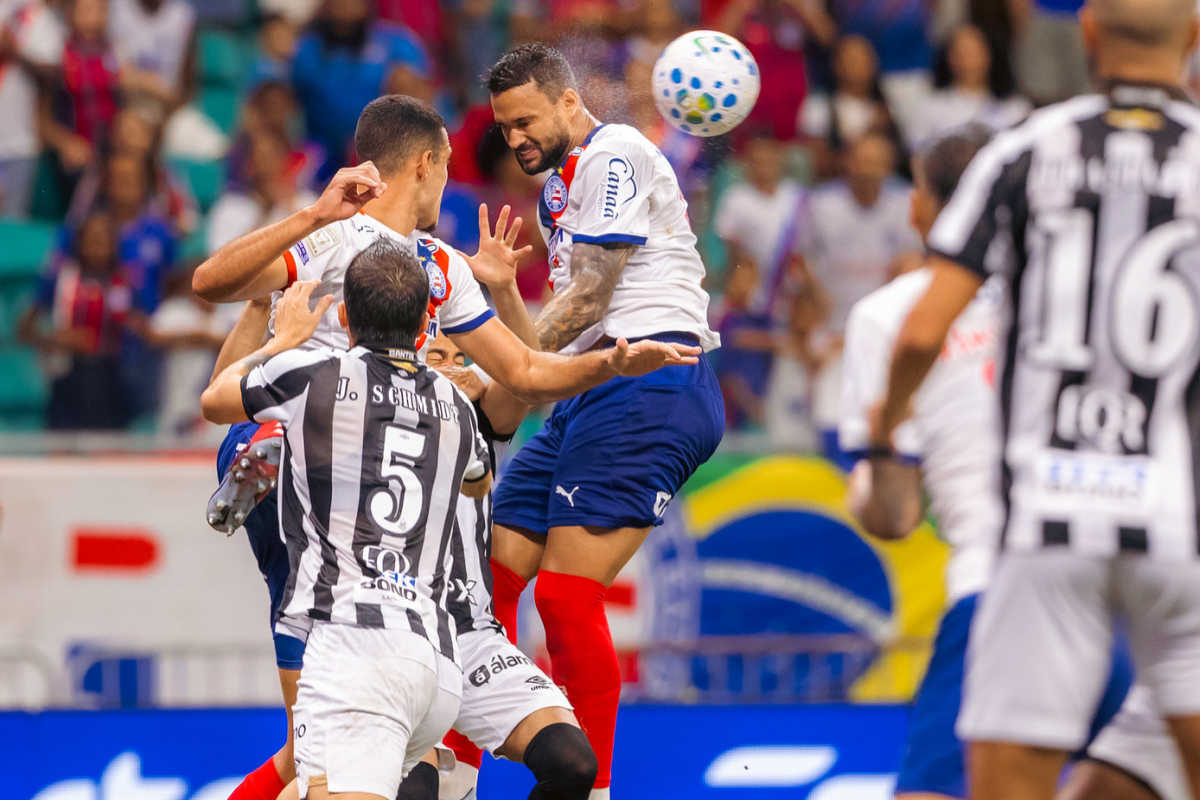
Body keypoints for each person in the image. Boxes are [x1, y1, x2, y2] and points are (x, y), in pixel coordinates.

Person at [192, 93, 698, 800]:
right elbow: (209, 293)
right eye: (450, 165)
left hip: (419, 584)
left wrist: (602, 359)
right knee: (323, 750)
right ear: (426, 163)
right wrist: (307, 227)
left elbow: (520, 373)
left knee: (320, 755)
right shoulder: (338, 238)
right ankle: (273, 447)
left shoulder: (442, 268)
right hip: (325, 503)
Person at [869, 2, 1200, 798]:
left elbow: (921, 332)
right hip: (1179, 526)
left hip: (1047, 522)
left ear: (1087, 35)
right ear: (1193, 40)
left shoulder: (1025, 150)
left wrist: (885, 428)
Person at [485, 43, 726, 797]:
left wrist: (492, 360)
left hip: (654, 377)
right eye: (503, 129)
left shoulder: (612, 151)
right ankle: (450, 764)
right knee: (483, 578)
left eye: (525, 120)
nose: (515, 138)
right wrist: (499, 308)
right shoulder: (560, 189)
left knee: (563, 595)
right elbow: (552, 336)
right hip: (589, 387)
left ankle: (592, 787)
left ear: (565, 101)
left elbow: (591, 299)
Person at [200, 243, 492, 800]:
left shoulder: (313, 374)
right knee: (322, 768)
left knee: (309, 764)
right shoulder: (454, 405)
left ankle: (276, 449)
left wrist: (277, 330)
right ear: (426, 323)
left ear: (343, 317)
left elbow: (215, 399)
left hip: (346, 635)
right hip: (431, 651)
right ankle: (278, 454)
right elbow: (479, 479)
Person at [397, 332, 598, 800]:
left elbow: (524, 368)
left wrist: (504, 288)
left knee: (572, 765)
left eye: (460, 358)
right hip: (397, 634)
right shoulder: (368, 425)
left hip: (472, 636)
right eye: (437, 357)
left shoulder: (478, 423)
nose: (452, 367)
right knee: (417, 793)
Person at [17, 209, 133, 430]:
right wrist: (54, 339)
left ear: (114, 244)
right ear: (79, 242)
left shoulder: (126, 280)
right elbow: (24, 331)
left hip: (110, 379)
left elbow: (137, 330)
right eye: (91, 238)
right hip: (67, 378)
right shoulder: (61, 279)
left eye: (103, 238)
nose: (97, 244)